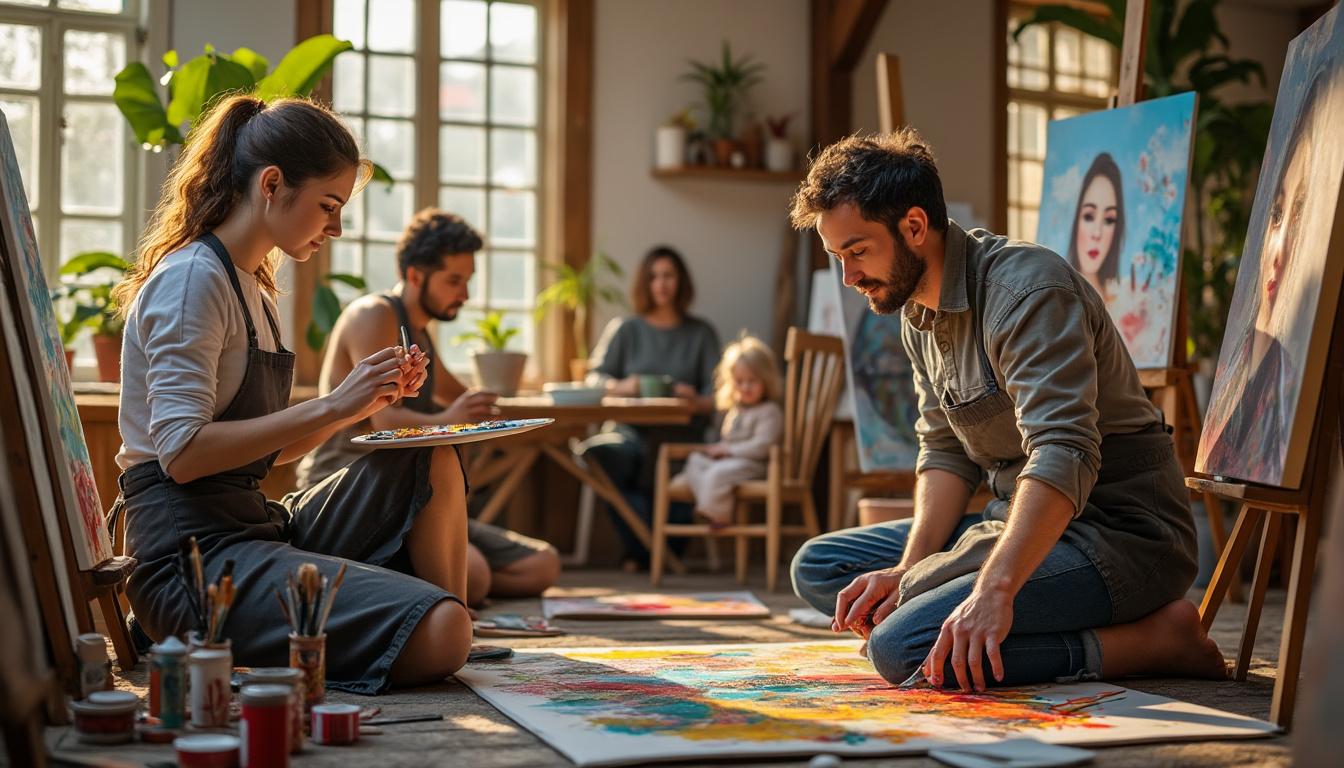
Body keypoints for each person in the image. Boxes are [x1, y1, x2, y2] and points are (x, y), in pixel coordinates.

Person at [789, 129, 1227, 692]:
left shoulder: (1027, 292)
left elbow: (1063, 450)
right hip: (1014, 521)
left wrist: (992, 590)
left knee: (902, 646)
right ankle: (977, 603)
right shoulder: (916, 312)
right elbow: (944, 449)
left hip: (1119, 535)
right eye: (837, 257)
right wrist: (908, 570)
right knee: (821, 567)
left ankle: (1151, 640)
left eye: (857, 252)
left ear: (915, 228)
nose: (849, 277)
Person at [110, 95, 472, 694]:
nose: (335, 227)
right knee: (442, 633)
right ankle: (437, 630)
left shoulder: (254, 289)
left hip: (253, 526)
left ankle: (442, 621)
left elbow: (264, 455)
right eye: (328, 206)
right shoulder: (192, 280)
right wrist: (332, 404)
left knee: (429, 452)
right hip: (190, 562)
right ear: (272, 185)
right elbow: (183, 454)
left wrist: (363, 403)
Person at [296, 208, 561, 607]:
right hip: (353, 489)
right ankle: (424, 586)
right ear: (416, 275)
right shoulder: (375, 315)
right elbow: (384, 419)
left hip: (417, 494)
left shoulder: (421, 334)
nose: (465, 295)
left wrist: (495, 407)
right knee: (475, 573)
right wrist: (451, 419)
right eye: (454, 281)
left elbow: (463, 396)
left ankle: (416, 579)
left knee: (542, 563)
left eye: (467, 281)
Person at [1198, 68, 1336, 482]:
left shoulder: (1290, 381)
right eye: (1277, 215)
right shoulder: (1248, 371)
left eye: (1302, 215)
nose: (1278, 250)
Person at [579, 246, 721, 570]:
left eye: (669, 276)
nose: (661, 284)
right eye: (654, 276)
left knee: (674, 470)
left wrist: (694, 399)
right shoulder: (626, 329)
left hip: (682, 438)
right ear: (644, 282)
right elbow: (593, 379)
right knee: (599, 455)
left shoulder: (701, 333)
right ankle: (646, 551)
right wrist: (624, 386)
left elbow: (720, 394)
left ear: (680, 282)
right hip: (627, 434)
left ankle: (651, 555)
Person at [670, 334, 783, 525]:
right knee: (695, 460)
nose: (746, 387)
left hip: (755, 465)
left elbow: (762, 447)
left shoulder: (769, 412)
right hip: (729, 463)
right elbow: (728, 440)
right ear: (731, 384)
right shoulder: (735, 411)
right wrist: (719, 450)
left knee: (717, 474)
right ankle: (709, 501)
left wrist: (729, 450)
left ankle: (718, 515)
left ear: (766, 380)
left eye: (752, 381)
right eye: (740, 381)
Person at [1066, 153, 1125, 302]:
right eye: (1089, 216)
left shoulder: (1122, 307)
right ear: (1076, 221)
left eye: (1109, 220)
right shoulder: (1055, 300)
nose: (1097, 233)